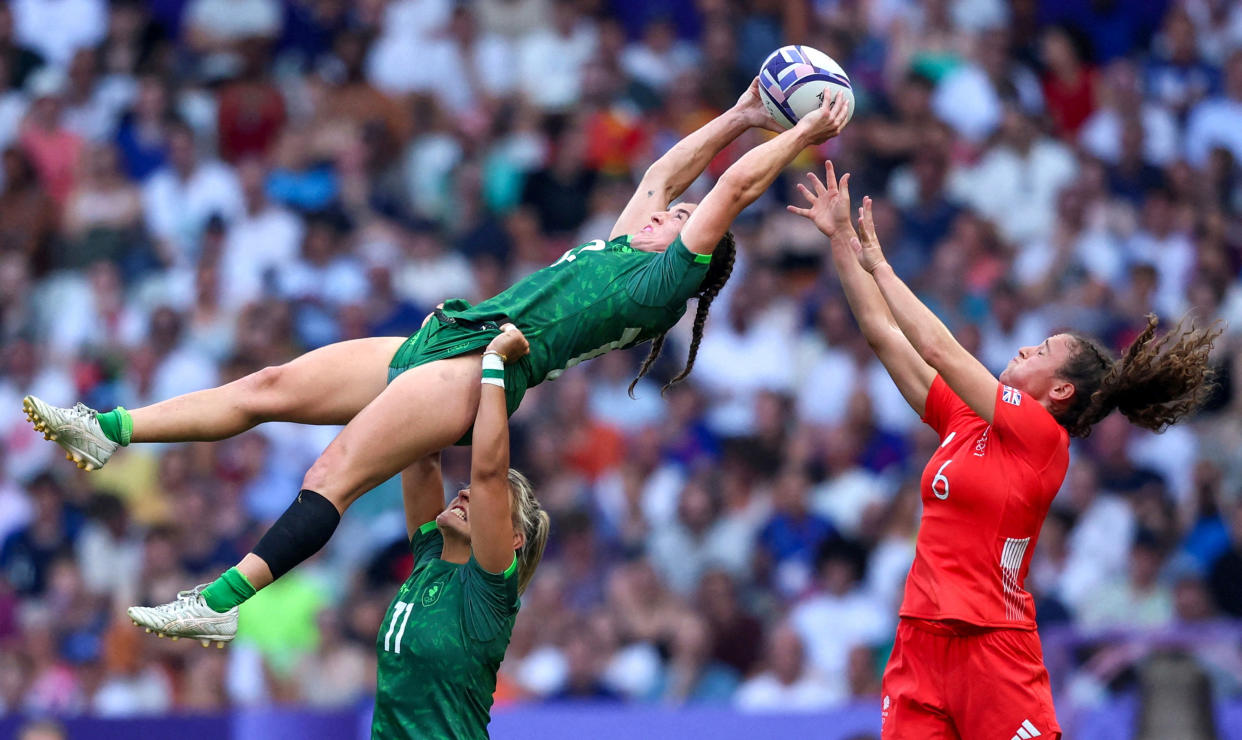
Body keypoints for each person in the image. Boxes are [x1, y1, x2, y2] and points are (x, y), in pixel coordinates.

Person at [23, 81, 851, 644]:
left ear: (692, 254)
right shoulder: (629, 241)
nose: (670, 209)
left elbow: (729, 192)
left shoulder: (664, 281)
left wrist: (802, 135)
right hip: (446, 336)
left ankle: (220, 603)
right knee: (266, 386)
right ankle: (107, 432)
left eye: (680, 218)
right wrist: (744, 110)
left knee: (335, 470)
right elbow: (667, 170)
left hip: (478, 372)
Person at [786, 161, 1219, 740]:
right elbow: (882, 334)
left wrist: (880, 263)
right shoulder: (964, 418)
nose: (1024, 347)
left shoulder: (1045, 440)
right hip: (920, 639)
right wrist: (840, 237)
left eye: (1041, 348)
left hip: (993, 647)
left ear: (1060, 390)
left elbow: (940, 348)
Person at [370, 325, 550, 739]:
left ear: (513, 539)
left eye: (487, 501)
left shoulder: (488, 594)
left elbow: (487, 473)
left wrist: (493, 364)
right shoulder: (429, 558)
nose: (465, 491)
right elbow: (419, 456)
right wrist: (431, 355)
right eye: (467, 491)